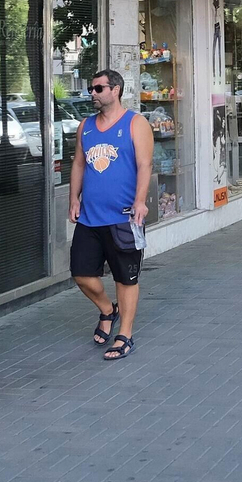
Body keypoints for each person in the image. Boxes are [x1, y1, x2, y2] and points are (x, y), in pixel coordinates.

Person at [69, 69, 153, 362]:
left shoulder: (135, 124)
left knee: (125, 279)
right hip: (90, 218)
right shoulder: (86, 126)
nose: (93, 93)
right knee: (81, 275)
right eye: (91, 88)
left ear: (115, 90)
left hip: (123, 218)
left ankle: (125, 334)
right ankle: (108, 310)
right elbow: (79, 164)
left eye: (98, 88)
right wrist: (73, 199)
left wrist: (140, 201)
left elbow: (145, 165)